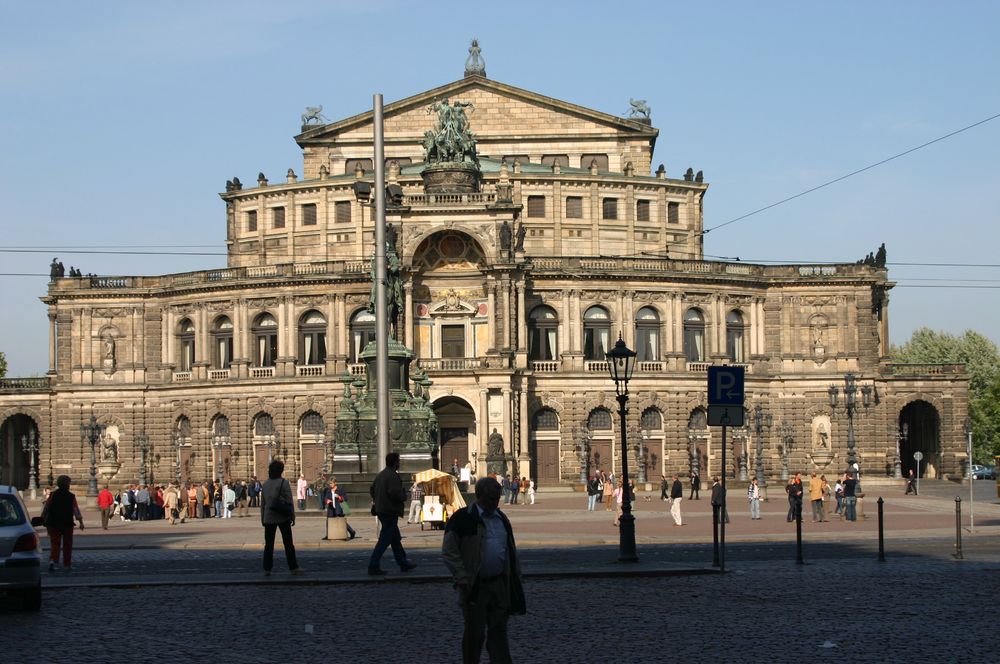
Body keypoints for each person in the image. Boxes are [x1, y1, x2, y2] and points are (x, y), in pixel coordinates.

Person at [442, 476, 526, 664]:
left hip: (499, 584)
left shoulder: (502, 518)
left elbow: (510, 549)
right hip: (474, 586)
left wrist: (515, 576)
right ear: (478, 496)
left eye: (497, 499)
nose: (495, 503)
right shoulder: (463, 518)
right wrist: (461, 576)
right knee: (475, 633)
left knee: (499, 633)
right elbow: (449, 550)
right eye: (491, 499)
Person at [368, 452, 417, 575]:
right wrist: (403, 495)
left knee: (395, 539)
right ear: (395, 462)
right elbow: (395, 494)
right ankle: (373, 565)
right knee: (384, 540)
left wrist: (378, 500)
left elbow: (372, 489)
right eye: (398, 461)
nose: (399, 463)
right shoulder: (392, 476)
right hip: (389, 511)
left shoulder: (381, 475)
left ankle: (403, 562)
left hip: (382, 510)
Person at [260, 459, 302, 576]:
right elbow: (289, 501)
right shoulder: (284, 483)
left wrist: (262, 518)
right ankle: (293, 567)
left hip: (269, 517)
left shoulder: (266, 484)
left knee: (269, 545)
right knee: (288, 544)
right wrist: (292, 516)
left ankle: (267, 569)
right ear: (281, 471)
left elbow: (263, 504)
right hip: (282, 517)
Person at [42, 475, 84, 572]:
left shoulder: (52, 495)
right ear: (67, 484)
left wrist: (43, 519)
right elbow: (76, 511)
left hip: (53, 523)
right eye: (69, 483)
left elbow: (46, 508)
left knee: (55, 543)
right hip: (67, 523)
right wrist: (81, 522)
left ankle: (52, 560)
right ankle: (67, 564)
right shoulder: (71, 496)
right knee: (67, 544)